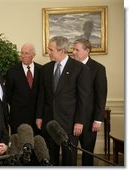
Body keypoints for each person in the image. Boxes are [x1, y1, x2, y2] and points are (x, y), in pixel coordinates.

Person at [36, 36, 91, 166]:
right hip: (50, 121)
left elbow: (83, 98)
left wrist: (79, 121)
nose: (48, 52)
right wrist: (39, 116)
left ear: (61, 50)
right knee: (51, 157)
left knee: (69, 158)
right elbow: (42, 95)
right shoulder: (46, 69)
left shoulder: (80, 68)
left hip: (70, 122)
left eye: (51, 49)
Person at [72, 38, 107, 166]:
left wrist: (98, 119)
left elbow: (101, 96)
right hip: (71, 118)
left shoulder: (98, 69)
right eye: (73, 49)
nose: (73, 52)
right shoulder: (70, 66)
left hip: (89, 119)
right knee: (71, 152)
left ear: (87, 51)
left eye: (77, 50)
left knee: (87, 153)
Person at [5, 43, 42, 135]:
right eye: (22, 53)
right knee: (18, 144)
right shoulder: (12, 71)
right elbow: (8, 95)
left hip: (37, 117)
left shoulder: (42, 70)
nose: (23, 56)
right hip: (18, 117)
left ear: (33, 55)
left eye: (26, 53)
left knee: (36, 144)